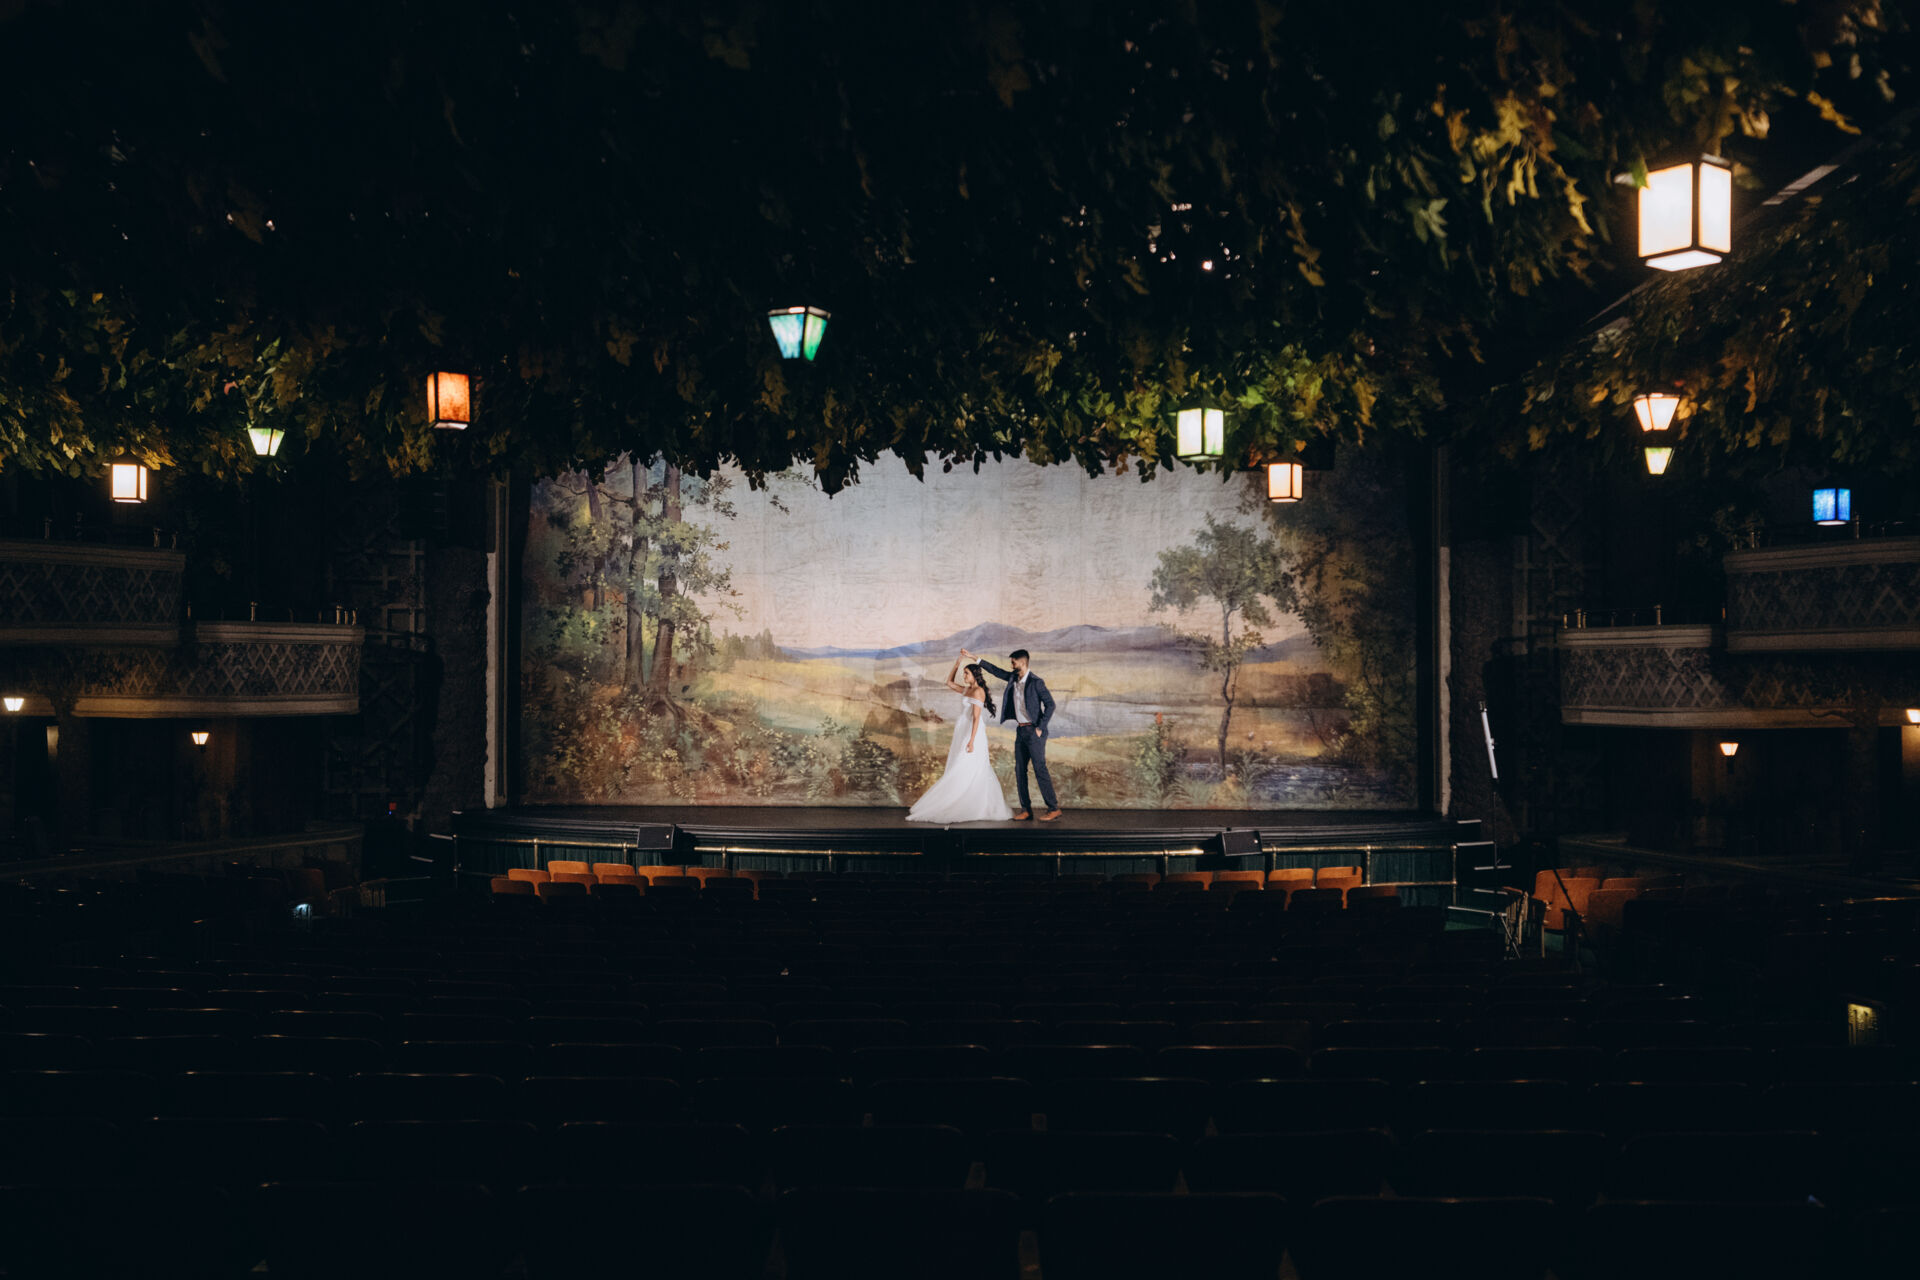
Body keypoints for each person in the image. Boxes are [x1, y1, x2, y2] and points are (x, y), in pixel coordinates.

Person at [905, 656, 1014, 824]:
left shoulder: (978, 692)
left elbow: (976, 718)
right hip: (962, 729)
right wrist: (956, 665)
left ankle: (967, 802)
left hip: (972, 732)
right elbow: (949, 683)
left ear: (975, 675)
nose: (964, 676)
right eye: (964, 673)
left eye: (966, 673)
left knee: (966, 765)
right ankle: (956, 799)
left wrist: (971, 741)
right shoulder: (967, 690)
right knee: (959, 764)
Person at [962, 647, 1060, 821]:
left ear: (1022, 662)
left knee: (1039, 769)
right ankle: (1026, 810)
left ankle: (1053, 808)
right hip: (1021, 730)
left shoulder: (1036, 682)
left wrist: (1040, 727)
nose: (1011, 665)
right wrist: (974, 658)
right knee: (1019, 770)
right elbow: (995, 671)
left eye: (1013, 662)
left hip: (1034, 732)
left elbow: (1050, 705)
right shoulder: (1013, 678)